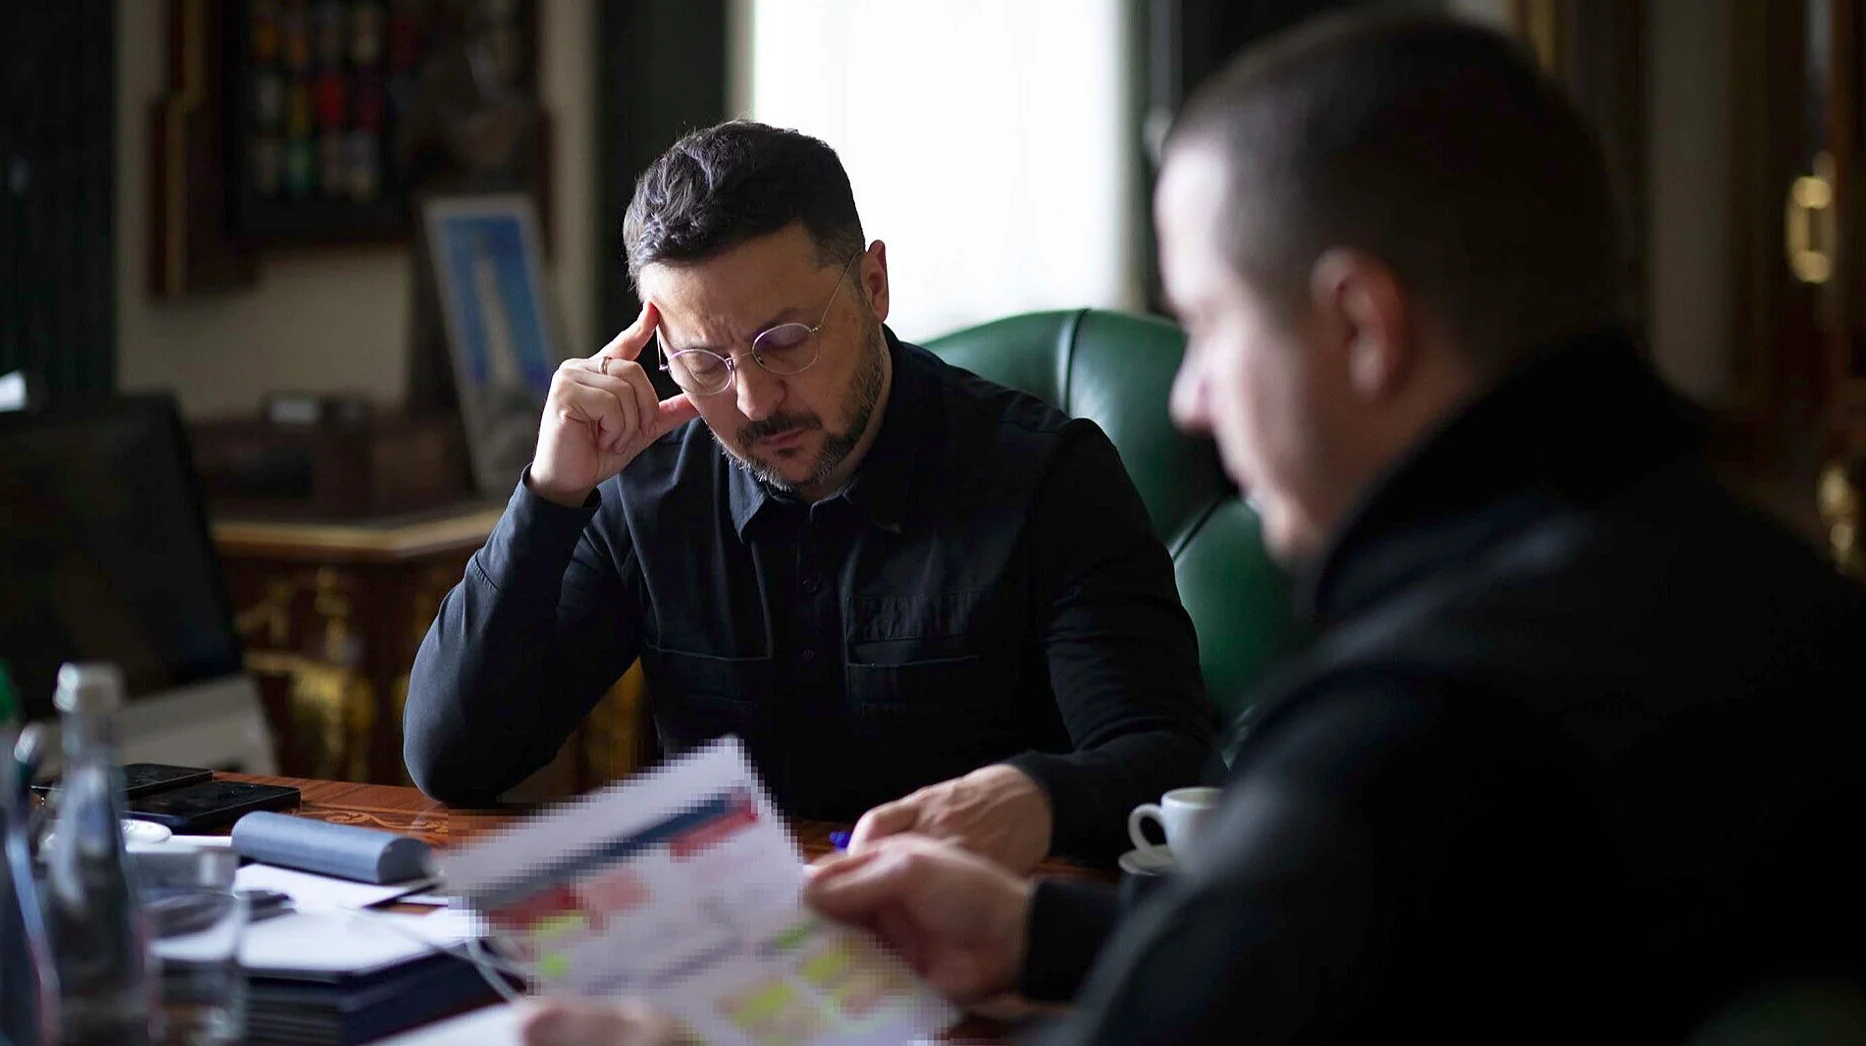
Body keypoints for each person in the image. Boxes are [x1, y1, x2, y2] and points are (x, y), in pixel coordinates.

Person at [518, 15, 1866, 1045]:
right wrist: (1041, 932)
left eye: (1211, 323)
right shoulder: (1779, 595)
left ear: (1360, 326)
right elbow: (1360, 953)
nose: (1190, 396)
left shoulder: (1416, 726)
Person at [404, 120, 1217, 871]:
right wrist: (550, 493)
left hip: (984, 932)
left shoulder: (1048, 478)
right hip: (734, 946)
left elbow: (1167, 765)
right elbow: (453, 762)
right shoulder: (647, 488)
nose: (754, 401)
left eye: (783, 342)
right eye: (705, 364)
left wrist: (1031, 799)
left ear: (873, 284)